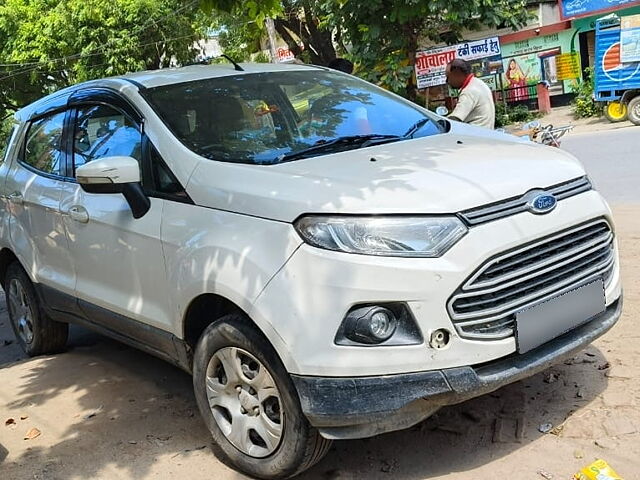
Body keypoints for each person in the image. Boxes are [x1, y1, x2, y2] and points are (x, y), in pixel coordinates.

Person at [445, 58, 495, 129]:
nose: (447, 81)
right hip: (486, 132)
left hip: (476, 136)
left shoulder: (469, 91)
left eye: (448, 77)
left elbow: (455, 119)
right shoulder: (478, 83)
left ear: (457, 74)